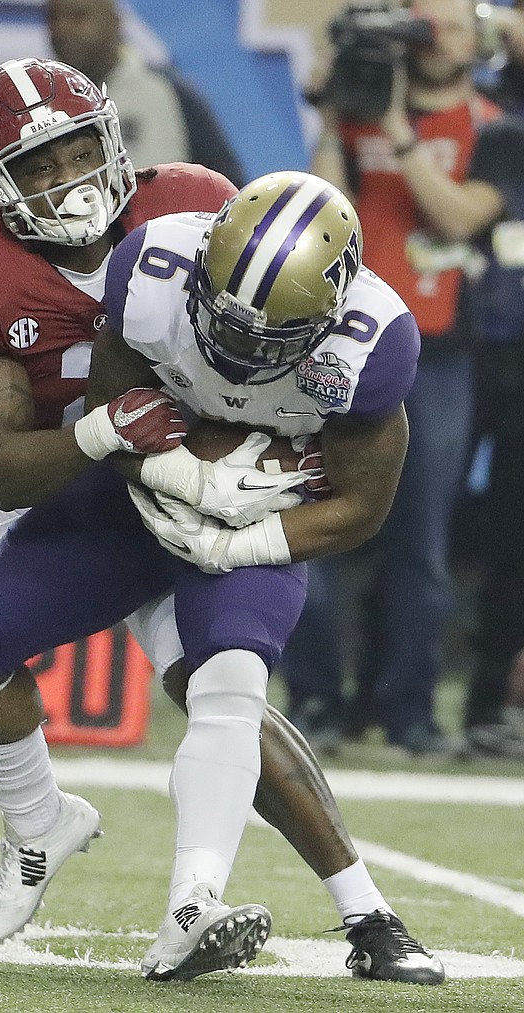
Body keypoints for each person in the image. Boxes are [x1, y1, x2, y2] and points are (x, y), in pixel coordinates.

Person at [0, 58, 442, 985]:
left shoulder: (196, 221)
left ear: (111, 140)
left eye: (72, 152)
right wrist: (116, 435)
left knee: (225, 692)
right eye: (35, 166)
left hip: (202, 502)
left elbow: (335, 468)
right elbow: (9, 466)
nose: (63, 181)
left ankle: (356, 910)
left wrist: (235, 511)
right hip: (87, 494)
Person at [284, 0, 510, 753]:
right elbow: (321, 214)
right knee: (306, 523)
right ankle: (314, 701)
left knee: (423, 545)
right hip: (337, 344)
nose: (436, 37)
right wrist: (330, 113)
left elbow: (457, 217)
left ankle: (410, 711)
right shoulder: (356, 111)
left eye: (450, 25)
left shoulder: (493, 124)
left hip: (440, 352)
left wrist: (397, 130)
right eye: (424, 24)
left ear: (476, 41)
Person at [0, 0, 245, 214]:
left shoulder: (169, 95)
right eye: (54, 18)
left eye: (79, 16)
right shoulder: (21, 110)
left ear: (115, 21)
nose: (62, 30)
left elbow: (227, 192)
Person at [462, 2, 524, 757]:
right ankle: (373, 697)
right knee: (407, 514)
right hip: (462, 333)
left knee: (514, 537)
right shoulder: (481, 103)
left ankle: (489, 701)